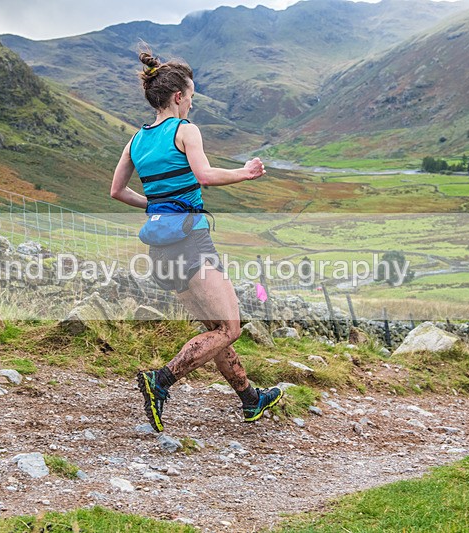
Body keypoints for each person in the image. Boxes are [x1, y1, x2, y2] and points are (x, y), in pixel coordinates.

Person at [110, 48, 283, 432]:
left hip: (160, 248)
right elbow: (203, 176)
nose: (192, 102)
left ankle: (251, 399)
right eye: (191, 96)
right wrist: (245, 172)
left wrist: (156, 206)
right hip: (191, 243)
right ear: (177, 97)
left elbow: (117, 192)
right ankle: (161, 380)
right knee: (229, 329)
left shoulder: (135, 140)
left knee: (214, 332)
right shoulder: (185, 130)